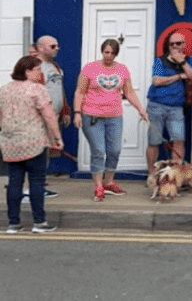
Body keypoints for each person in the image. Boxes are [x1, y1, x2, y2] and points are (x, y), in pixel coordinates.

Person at [73, 39, 149, 202]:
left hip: (114, 116)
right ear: (102, 51)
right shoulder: (90, 68)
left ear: (116, 54)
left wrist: (141, 110)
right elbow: (80, 91)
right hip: (92, 116)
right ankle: (98, 186)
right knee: (99, 151)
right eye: (106, 52)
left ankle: (109, 182)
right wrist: (77, 113)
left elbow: (129, 92)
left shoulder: (122, 70)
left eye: (112, 53)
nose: (109, 56)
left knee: (114, 150)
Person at [1, 56, 63, 233]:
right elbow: (49, 116)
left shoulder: (4, 90)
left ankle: (13, 223)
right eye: (37, 69)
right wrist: (56, 137)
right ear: (27, 72)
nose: (40, 73)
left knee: (14, 182)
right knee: (36, 181)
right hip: (33, 142)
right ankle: (39, 222)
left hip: (10, 143)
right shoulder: (38, 90)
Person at [146, 30, 192, 176]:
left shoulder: (189, 60)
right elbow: (156, 80)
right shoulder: (160, 60)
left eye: (179, 43)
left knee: (178, 139)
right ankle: (151, 174)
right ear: (168, 46)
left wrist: (182, 62)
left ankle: (175, 175)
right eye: (172, 44)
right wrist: (178, 76)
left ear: (184, 45)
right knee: (154, 141)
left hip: (176, 107)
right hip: (157, 105)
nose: (175, 46)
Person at [35, 35, 69, 197]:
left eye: (57, 46)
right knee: (37, 151)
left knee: (47, 151)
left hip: (54, 116)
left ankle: (39, 186)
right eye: (52, 46)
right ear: (41, 48)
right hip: (40, 117)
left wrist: (65, 111)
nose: (57, 49)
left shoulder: (55, 66)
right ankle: (34, 187)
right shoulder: (35, 67)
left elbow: (59, 90)